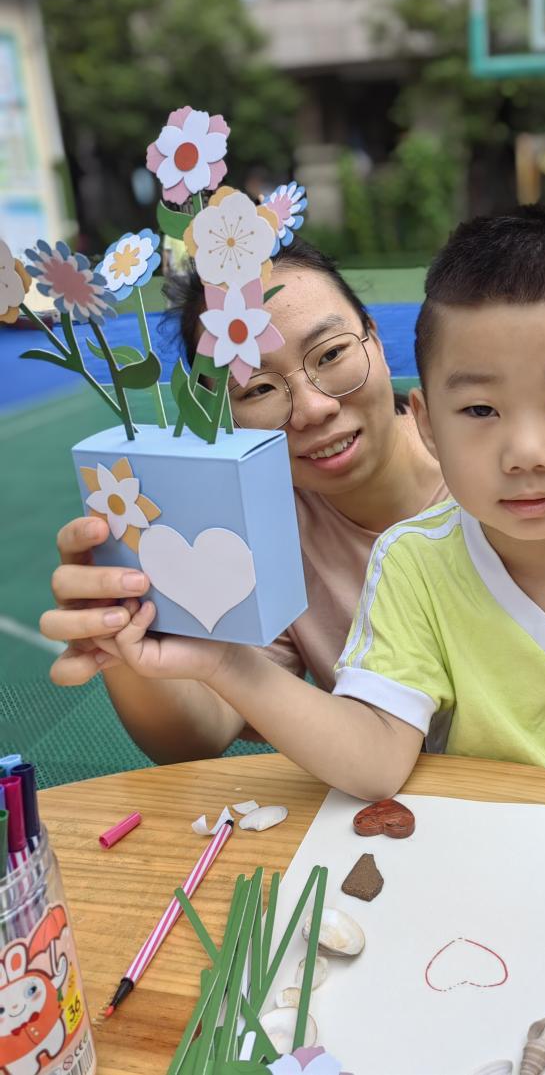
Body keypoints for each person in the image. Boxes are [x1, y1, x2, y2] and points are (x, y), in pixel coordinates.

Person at [89, 207, 545, 891]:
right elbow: (374, 750)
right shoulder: (408, 563)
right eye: (479, 410)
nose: (526, 451)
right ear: (430, 421)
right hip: (467, 874)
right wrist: (216, 657)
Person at [40, 239, 445, 761]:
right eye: (256, 389)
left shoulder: (500, 474)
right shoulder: (265, 529)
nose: (313, 409)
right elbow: (198, 735)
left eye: (332, 354)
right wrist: (120, 636)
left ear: (376, 340)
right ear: (221, 416)